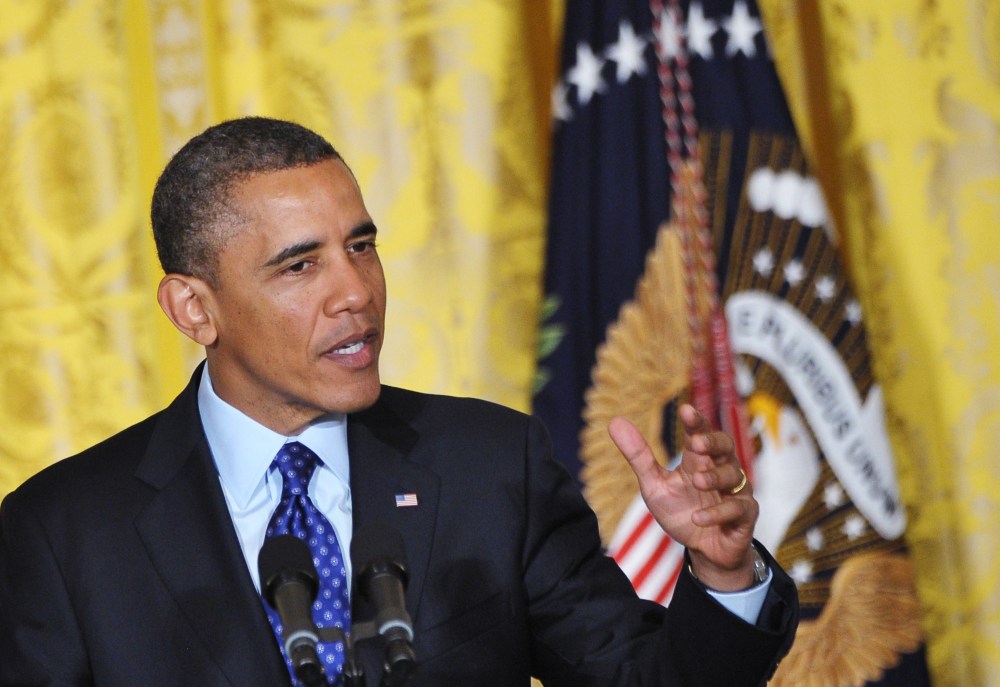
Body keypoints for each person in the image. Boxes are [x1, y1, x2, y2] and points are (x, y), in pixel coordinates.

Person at [0, 117, 797, 686]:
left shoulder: (491, 466)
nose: (356, 293)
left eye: (362, 246)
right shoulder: (64, 531)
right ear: (193, 309)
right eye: (299, 266)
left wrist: (722, 571)